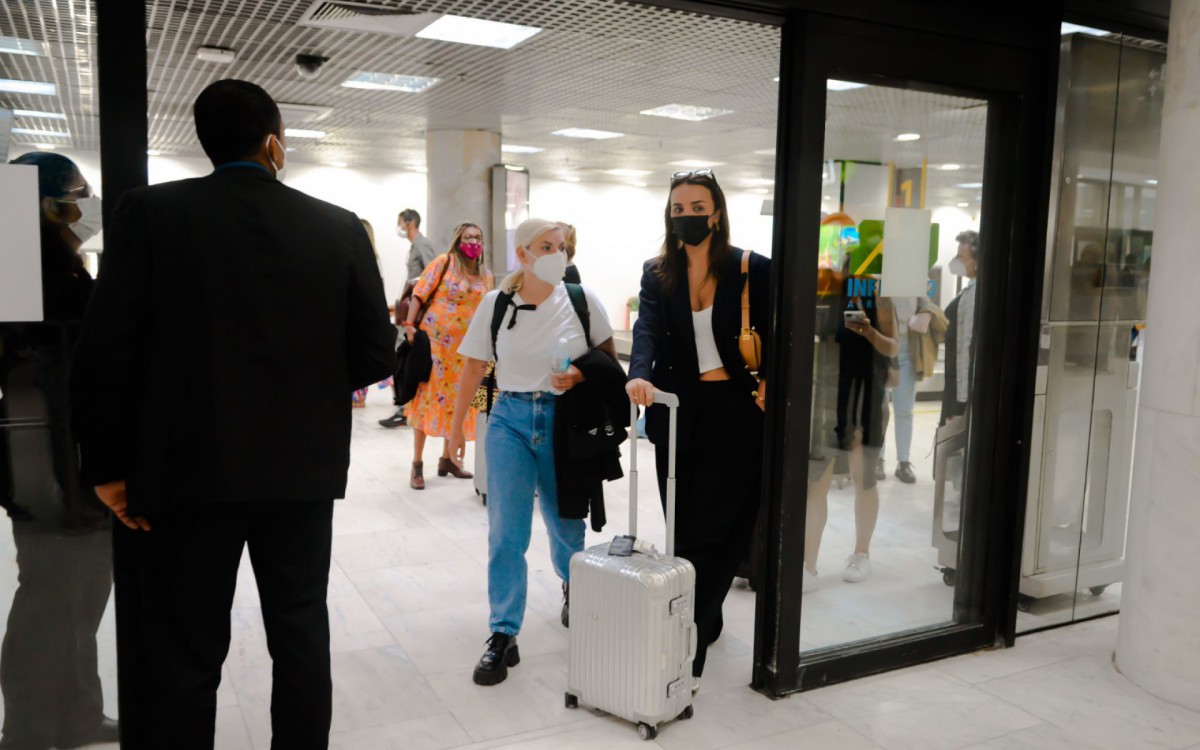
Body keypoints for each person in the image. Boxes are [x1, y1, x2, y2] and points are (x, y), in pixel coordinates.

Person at [69, 79, 395, 750]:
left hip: (187, 469)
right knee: (301, 631)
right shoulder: (337, 226)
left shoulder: (149, 214)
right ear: (275, 143)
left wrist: (104, 466)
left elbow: (104, 352)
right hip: (301, 474)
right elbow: (373, 355)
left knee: (186, 649)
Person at [449, 218, 615, 687]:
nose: (557, 253)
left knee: (566, 524)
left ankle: (575, 592)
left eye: (561, 246)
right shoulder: (496, 304)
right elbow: (478, 369)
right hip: (509, 419)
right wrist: (461, 426)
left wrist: (580, 377)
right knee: (506, 531)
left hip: (565, 423)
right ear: (523, 254)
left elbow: (606, 360)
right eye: (546, 246)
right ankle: (503, 632)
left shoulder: (582, 301)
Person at [626, 169, 771, 688]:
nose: (687, 215)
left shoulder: (751, 268)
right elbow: (646, 330)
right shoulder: (657, 272)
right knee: (684, 527)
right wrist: (638, 374)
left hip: (735, 410)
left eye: (697, 206)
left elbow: (782, 335)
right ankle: (706, 616)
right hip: (677, 412)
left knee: (720, 528)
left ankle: (688, 637)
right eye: (678, 207)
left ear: (716, 212)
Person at [0, 152, 118, 750]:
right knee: (49, 602)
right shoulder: (24, 270)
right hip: (47, 466)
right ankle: (26, 731)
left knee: (79, 602)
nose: (81, 211)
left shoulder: (53, 265)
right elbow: (39, 371)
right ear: (44, 206)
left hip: (63, 461)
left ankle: (76, 714)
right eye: (73, 198)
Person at [803, 270, 899, 589]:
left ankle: (861, 552)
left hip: (864, 393)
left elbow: (892, 348)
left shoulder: (871, 287)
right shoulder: (814, 282)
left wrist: (868, 331)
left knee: (863, 477)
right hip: (824, 393)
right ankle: (809, 563)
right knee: (817, 482)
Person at [401, 222, 493, 489]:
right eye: (468, 237)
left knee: (457, 404)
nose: (473, 241)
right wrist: (408, 325)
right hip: (437, 348)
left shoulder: (485, 275)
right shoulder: (444, 263)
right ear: (458, 240)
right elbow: (419, 294)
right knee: (428, 400)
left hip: (467, 353)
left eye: (478, 237)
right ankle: (417, 463)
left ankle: (448, 459)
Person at [379, 209, 439, 427]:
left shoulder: (422, 245)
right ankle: (404, 407)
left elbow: (431, 277)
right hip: (411, 312)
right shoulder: (415, 247)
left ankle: (404, 408)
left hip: (418, 316)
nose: (400, 228)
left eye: (400, 223)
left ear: (410, 222)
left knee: (404, 356)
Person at [887, 294, 947, 483]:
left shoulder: (915, 281)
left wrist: (926, 313)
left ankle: (903, 461)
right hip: (881, 345)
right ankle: (877, 459)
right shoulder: (874, 276)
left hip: (907, 350)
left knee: (904, 410)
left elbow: (928, 306)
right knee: (877, 409)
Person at [941, 230, 980, 426]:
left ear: (976, 261)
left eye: (961, 257)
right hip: (954, 378)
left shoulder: (975, 294)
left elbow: (966, 343)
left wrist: (961, 399)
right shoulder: (968, 290)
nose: (956, 260)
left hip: (959, 382)